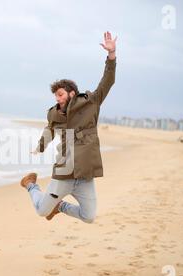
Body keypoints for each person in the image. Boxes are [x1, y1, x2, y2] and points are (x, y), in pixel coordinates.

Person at [20, 31, 117, 223]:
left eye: (60, 94)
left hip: (85, 175)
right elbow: (49, 130)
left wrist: (111, 55)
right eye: (55, 95)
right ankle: (31, 185)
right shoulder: (54, 113)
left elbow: (108, 81)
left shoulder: (90, 102)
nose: (57, 99)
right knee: (41, 211)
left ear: (72, 94)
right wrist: (40, 147)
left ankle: (61, 206)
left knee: (88, 217)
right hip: (64, 172)